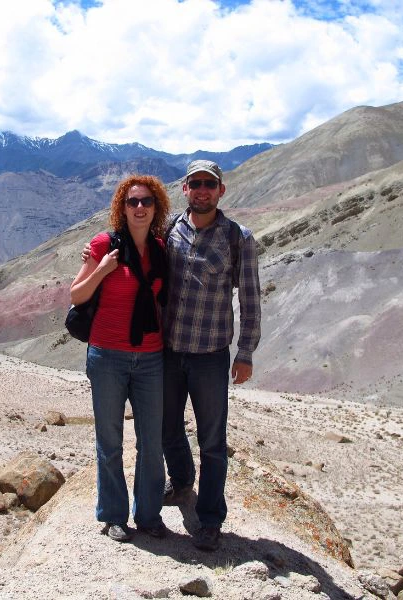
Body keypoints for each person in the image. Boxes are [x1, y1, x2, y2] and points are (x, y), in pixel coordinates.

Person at [160, 159, 261, 552]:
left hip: (210, 356)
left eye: (209, 184)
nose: (202, 190)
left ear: (221, 190)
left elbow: (250, 299)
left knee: (213, 441)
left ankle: (210, 519)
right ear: (185, 188)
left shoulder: (238, 238)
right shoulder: (170, 229)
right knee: (167, 426)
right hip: (169, 351)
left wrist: (245, 352)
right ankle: (182, 480)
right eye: (196, 183)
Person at [70, 174, 171, 543]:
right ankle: (114, 515)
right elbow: (77, 295)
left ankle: (149, 515)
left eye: (147, 201)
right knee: (110, 441)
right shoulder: (104, 245)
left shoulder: (160, 248)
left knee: (152, 442)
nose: (140, 207)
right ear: (122, 208)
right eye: (133, 202)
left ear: (157, 207)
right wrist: (101, 270)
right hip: (107, 356)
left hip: (150, 358)